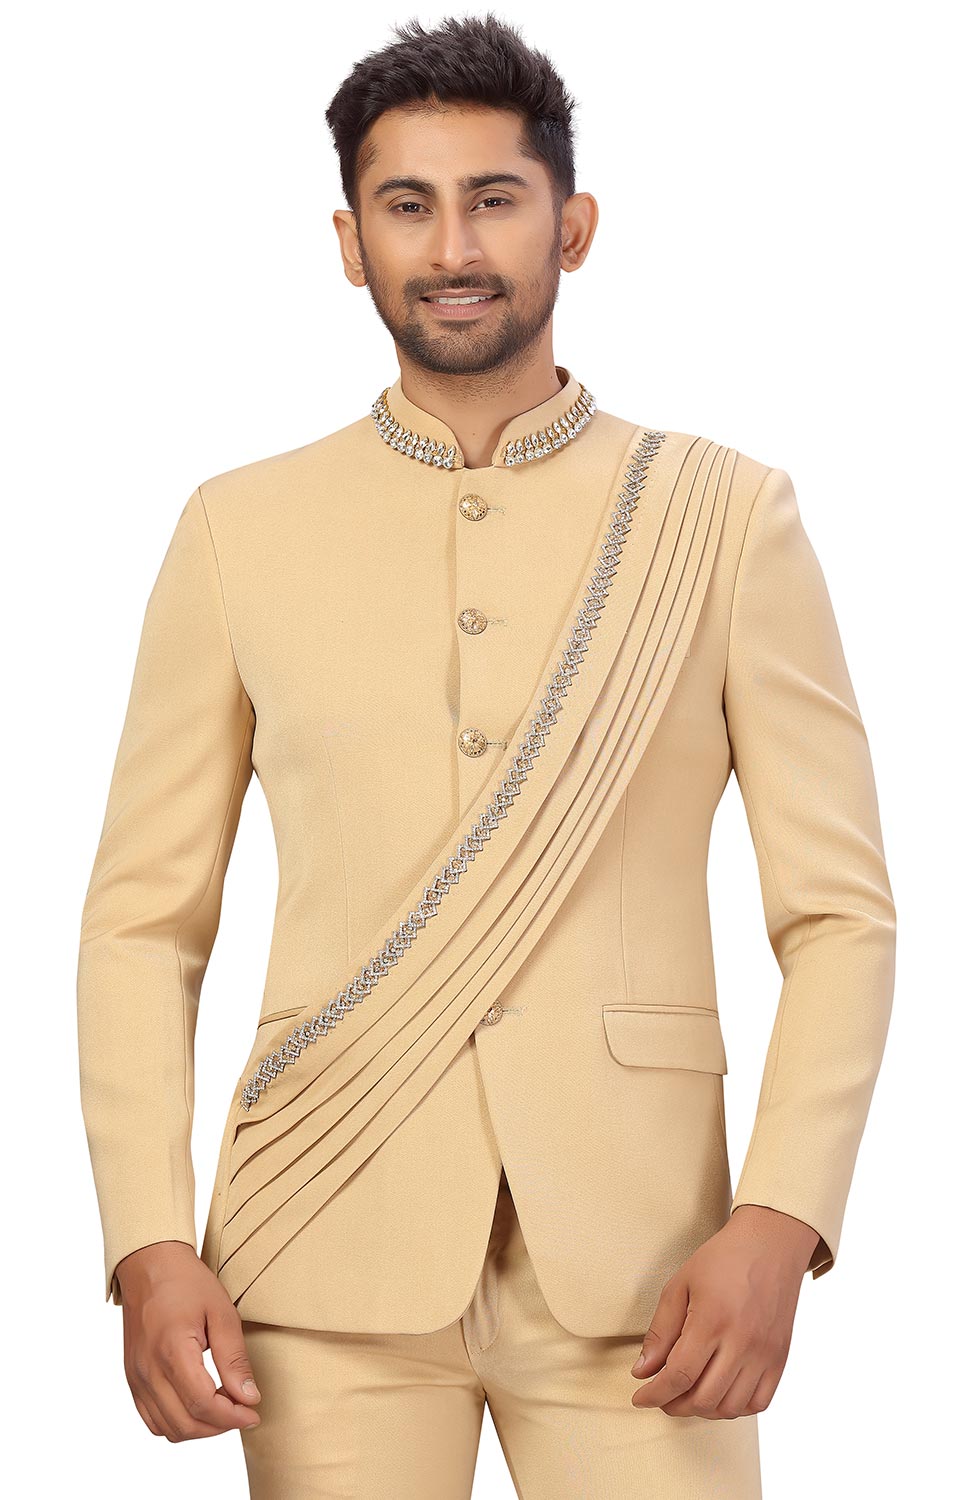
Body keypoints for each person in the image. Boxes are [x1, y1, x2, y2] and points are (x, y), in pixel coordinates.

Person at [76, 13, 896, 1498]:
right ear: (350, 244)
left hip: (654, 1274)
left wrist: (783, 1216)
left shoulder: (727, 520)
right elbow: (144, 922)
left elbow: (840, 916)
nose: (453, 247)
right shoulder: (235, 532)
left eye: (494, 199)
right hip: (322, 1237)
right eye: (409, 204)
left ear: (572, 227)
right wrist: (145, 1237)